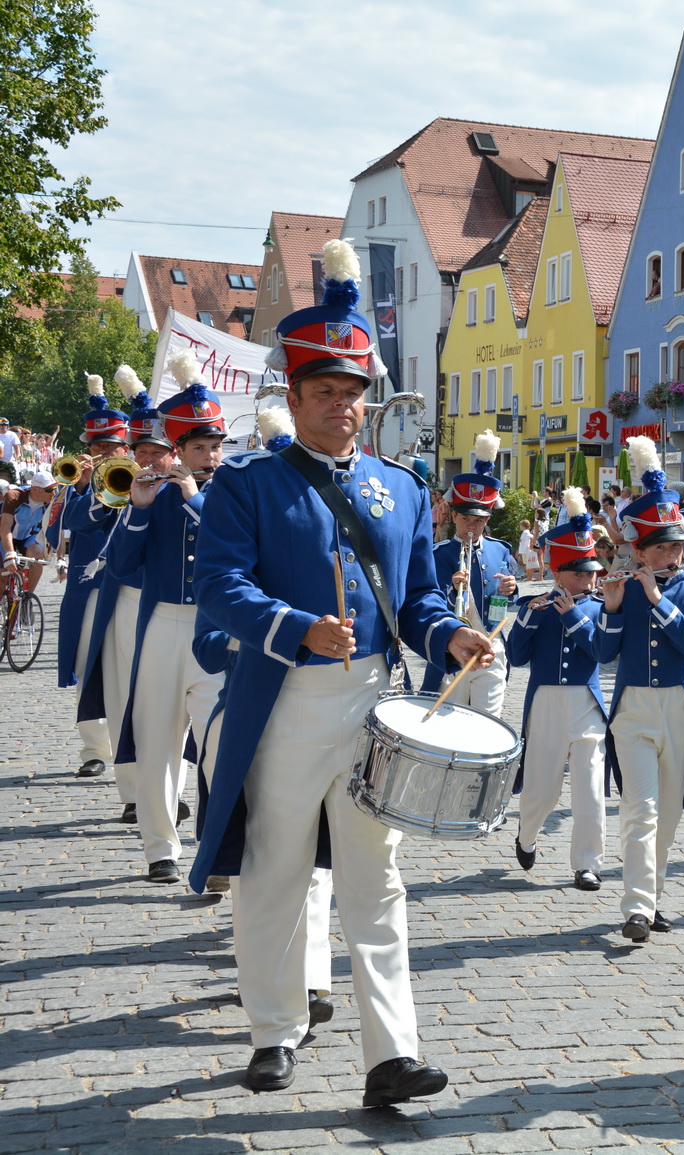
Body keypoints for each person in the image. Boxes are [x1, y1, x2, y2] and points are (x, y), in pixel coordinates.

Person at [190, 239, 490, 1104]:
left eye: (353, 395)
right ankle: (275, 1028)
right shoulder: (248, 483)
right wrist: (291, 626)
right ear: (296, 394)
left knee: (376, 878)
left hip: (371, 703)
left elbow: (421, 601)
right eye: (325, 393)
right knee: (278, 869)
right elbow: (218, 585)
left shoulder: (399, 488)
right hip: (284, 699)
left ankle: (391, 1054)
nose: (342, 409)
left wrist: (452, 639)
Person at [107, 350, 228, 886]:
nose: (209, 455)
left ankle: (223, 843)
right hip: (160, 624)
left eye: (215, 446)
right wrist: (136, 507)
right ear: (177, 449)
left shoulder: (234, 492)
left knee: (221, 741)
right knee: (157, 739)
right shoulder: (152, 497)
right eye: (199, 447)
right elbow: (120, 565)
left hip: (215, 629)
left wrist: (197, 497)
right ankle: (160, 847)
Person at [592, 437, 684, 942]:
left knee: (665, 816)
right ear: (638, 548)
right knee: (638, 809)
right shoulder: (623, 587)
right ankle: (637, 908)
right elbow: (603, 655)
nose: (670, 553)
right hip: (634, 710)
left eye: (676, 545)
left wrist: (657, 597)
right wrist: (615, 608)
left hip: (680, 709)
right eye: (660, 546)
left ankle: (654, 894)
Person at [507, 493, 607, 890]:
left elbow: (600, 650)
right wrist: (528, 616)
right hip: (545, 702)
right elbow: (516, 657)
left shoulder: (600, 607)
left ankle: (587, 864)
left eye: (592, 573)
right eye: (580, 574)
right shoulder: (537, 607)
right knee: (541, 789)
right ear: (559, 572)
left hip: (588, 702)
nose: (589, 580)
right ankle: (526, 835)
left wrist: (575, 613)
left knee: (590, 789)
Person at [65, 373, 152, 795]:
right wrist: (90, 489)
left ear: (126, 447)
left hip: (131, 590)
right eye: (95, 446)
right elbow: (62, 530)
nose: (101, 453)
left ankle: (134, 759)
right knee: (88, 667)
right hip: (89, 591)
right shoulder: (79, 485)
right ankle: (95, 750)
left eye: (110, 447)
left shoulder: (142, 477)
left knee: (131, 676)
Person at [422, 431, 519, 715]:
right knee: (447, 725)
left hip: (491, 646)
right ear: (453, 516)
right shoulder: (439, 554)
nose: (471, 527)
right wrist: (451, 588)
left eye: (478, 521)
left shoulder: (500, 550)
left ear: (488, 519)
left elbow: (507, 601)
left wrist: (511, 590)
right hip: (453, 648)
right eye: (465, 519)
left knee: (487, 722)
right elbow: (427, 601)